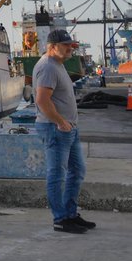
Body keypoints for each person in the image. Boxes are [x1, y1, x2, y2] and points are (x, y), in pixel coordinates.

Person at [33, 28, 93, 234]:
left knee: (77, 171)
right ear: (52, 47)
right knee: (57, 175)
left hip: (68, 129)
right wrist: (60, 122)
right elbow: (42, 100)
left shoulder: (57, 65)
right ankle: (60, 219)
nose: (70, 49)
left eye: (71, 45)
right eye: (66, 45)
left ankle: (70, 214)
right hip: (56, 128)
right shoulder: (48, 67)